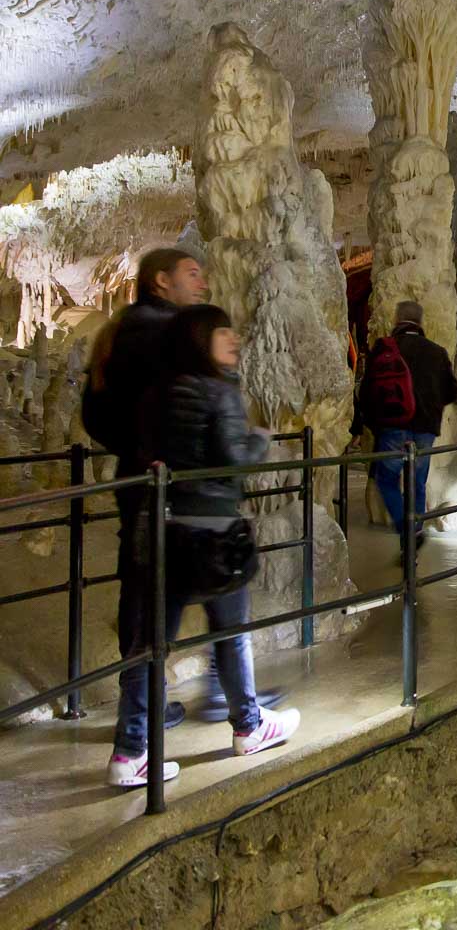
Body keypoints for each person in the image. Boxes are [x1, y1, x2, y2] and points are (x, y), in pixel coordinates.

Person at [107, 305, 300, 786]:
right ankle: (248, 726)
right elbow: (232, 461)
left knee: (149, 645)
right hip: (212, 534)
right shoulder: (220, 392)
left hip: (161, 530)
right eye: (223, 332)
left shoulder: (155, 394)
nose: (233, 339)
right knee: (232, 633)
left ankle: (130, 751)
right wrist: (259, 440)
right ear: (200, 340)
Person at [83, 248, 206, 732]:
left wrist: (134, 449)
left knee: (145, 590)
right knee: (160, 594)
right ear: (161, 281)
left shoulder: (121, 331)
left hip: (139, 479)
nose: (202, 283)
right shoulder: (164, 333)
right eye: (191, 274)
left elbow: (93, 414)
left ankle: (145, 707)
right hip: (166, 483)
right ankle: (139, 724)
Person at [351, 301, 457, 546]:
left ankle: (405, 527)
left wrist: (370, 423)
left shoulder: (385, 349)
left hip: (392, 426)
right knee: (417, 483)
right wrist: (432, 405)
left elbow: (366, 392)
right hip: (425, 429)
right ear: (420, 322)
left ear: (398, 320)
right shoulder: (437, 352)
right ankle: (415, 530)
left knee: (386, 479)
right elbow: (452, 392)